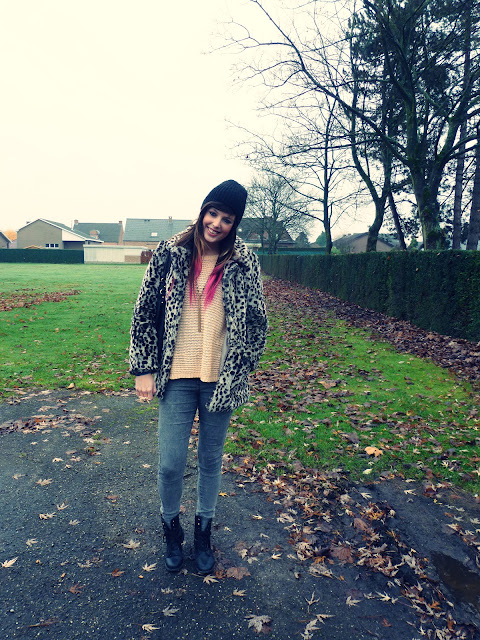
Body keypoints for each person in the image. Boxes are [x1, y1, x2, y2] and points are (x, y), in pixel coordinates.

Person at [129, 180, 268, 575]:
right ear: (203, 211)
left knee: (210, 460)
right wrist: (143, 367)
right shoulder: (170, 253)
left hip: (220, 380)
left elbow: (258, 321)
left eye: (227, 218)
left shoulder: (243, 262)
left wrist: (241, 365)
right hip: (175, 376)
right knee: (171, 464)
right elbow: (144, 312)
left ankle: (203, 532)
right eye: (213, 213)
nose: (217, 223)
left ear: (235, 223)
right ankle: (171, 530)